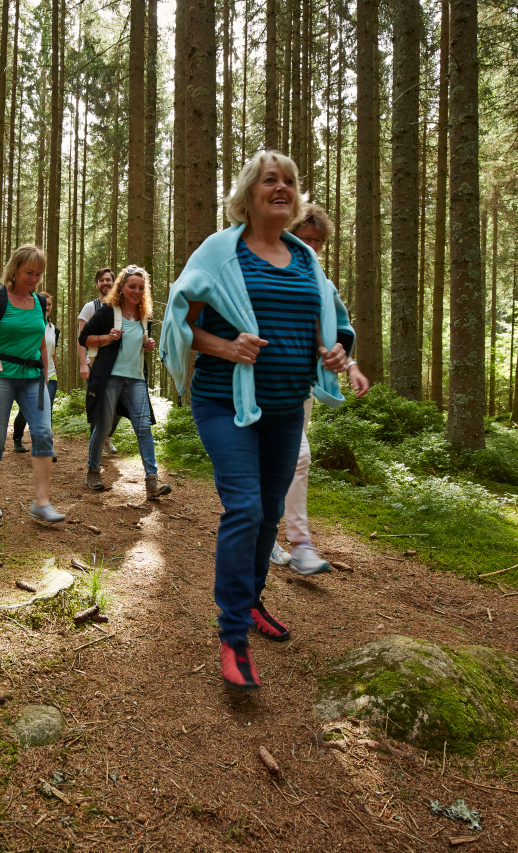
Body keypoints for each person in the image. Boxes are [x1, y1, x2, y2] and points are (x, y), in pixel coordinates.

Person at [159, 150, 369, 692]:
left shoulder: (304, 258)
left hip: (283, 407)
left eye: (290, 181)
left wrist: (339, 355)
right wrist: (226, 347)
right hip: (224, 402)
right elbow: (180, 322)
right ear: (250, 193)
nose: (282, 187)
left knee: (271, 509)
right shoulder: (221, 252)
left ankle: (251, 601)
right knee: (246, 506)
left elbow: (336, 325)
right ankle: (232, 635)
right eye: (270, 179)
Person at [269, 204, 370, 574]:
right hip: (259, 384)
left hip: (300, 388)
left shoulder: (322, 283)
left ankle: (281, 541)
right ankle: (295, 543)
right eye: (304, 237)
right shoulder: (264, 271)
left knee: (288, 462)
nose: (310, 246)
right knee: (295, 458)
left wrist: (351, 364)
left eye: (318, 241)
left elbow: (339, 329)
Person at [0, 244, 65, 523]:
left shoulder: (38, 303)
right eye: (29, 272)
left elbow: (41, 340)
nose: (34, 278)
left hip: (33, 379)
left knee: (43, 432)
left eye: (39, 274)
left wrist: (47, 371)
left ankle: (41, 501)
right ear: (14, 269)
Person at [78, 266, 172, 501]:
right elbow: (84, 338)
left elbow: (135, 346)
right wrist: (106, 338)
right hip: (110, 378)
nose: (136, 291)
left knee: (143, 427)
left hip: (136, 378)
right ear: (121, 288)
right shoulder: (108, 312)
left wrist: (146, 346)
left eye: (141, 288)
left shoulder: (143, 315)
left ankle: (152, 481)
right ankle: (93, 471)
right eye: (132, 286)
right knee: (104, 425)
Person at [77, 268, 120, 455]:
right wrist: (83, 364)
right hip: (95, 362)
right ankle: (95, 449)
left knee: (118, 407)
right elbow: (81, 338)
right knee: (96, 405)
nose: (105, 283)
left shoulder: (121, 306)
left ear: (114, 283)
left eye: (108, 280)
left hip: (118, 363)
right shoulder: (90, 307)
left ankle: (106, 436)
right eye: (102, 280)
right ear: (97, 285)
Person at [12, 291, 59, 453]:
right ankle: (17, 438)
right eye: (44, 304)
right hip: (32, 374)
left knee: (46, 410)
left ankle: (45, 445)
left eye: (50, 304)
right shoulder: (30, 324)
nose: (47, 307)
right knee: (27, 411)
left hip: (51, 375)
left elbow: (52, 352)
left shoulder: (54, 330)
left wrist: (54, 369)